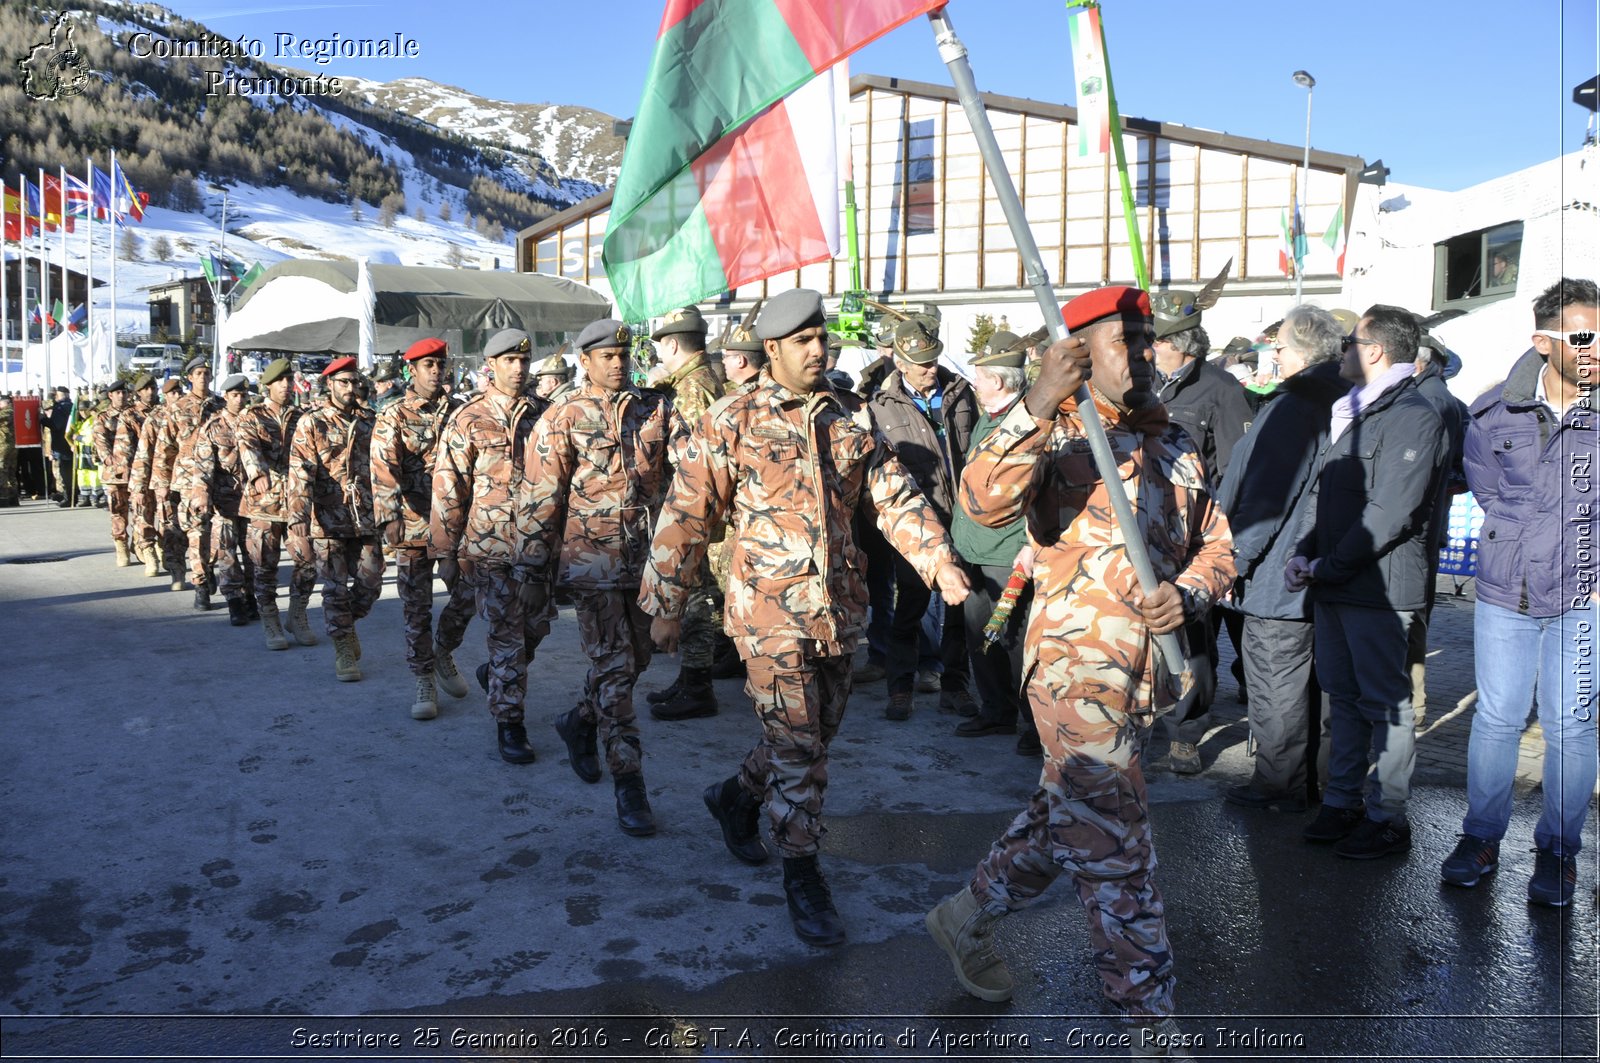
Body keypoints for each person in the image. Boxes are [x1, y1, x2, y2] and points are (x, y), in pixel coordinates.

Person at [925, 286, 1232, 1053]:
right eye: (1121, 340)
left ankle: (966, 912)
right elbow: (980, 506)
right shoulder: (1056, 433)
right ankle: (1149, 1027)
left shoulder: (1177, 442)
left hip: (1145, 679)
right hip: (1074, 675)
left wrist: (1189, 593)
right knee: (1119, 855)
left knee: (1069, 818)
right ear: (1079, 354)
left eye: (1146, 337)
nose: (1142, 351)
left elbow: (1218, 544)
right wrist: (1035, 404)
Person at [640, 288, 969, 948]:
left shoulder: (848, 418)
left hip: (841, 610)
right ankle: (802, 870)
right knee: (800, 750)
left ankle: (735, 795)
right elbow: (686, 511)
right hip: (768, 613)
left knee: (811, 737)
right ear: (773, 350)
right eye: (804, 340)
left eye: (823, 337)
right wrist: (664, 601)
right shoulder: (731, 418)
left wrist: (937, 558)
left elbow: (892, 494)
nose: (820, 348)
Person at [1441, 277, 1597, 907]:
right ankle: (1480, 838)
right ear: (1543, 341)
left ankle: (1559, 850)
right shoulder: (1491, 412)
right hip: (1507, 593)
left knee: (1572, 728)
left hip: (1585, 600)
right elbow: (1488, 494)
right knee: (1498, 720)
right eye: (1584, 337)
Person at [1286, 304, 1448, 859]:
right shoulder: (1351, 409)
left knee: (1387, 705)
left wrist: (1326, 565)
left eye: (1351, 342)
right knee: (1345, 699)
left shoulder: (1414, 414)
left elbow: (1390, 511)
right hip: (1335, 583)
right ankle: (1344, 801)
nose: (1343, 352)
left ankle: (1388, 817)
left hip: (1378, 588)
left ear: (1375, 350)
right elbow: (1321, 495)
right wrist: (1301, 553)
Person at [516, 318, 673, 836]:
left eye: (624, 354)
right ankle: (629, 782)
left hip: (647, 562)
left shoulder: (656, 408)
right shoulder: (563, 416)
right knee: (613, 668)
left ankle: (579, 721)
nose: (618, 362)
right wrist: (533, 569)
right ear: (585, 360)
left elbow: (685, 480)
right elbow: (541, 497)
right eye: (607, 355)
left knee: (638, 659)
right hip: (593, 564)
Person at [1218, 305, 1351, 811]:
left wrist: (1234, 561)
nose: (1272, 351)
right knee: (1315, 686)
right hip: (1320, 566)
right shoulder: (1343, 396)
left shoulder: (1298, 403)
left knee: (1277, 681)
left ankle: (1279, 785)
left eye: (1281, 344)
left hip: (1280, 573)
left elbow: (1268, 497)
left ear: (1303, 350)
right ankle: (1313, 783)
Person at [431, 329, 553, 764]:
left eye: (523, 361)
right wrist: (445, 552)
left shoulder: (546, 414)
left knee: (536, 630)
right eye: (508, 361)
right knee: (507, 637)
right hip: (490, 549)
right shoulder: (469, 418)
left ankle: (497, 677)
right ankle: (510, 722)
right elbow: (449, 487)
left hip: (537, 551)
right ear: (492, 366)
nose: (518, 369)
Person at [1148, 289, 1256, 773]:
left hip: (1193, 534)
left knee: (1194, 641)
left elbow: (1235, 469)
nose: (1149, 346)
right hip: (1145, 526)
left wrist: (1216, 538)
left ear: (1184, 344)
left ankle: (1187, 732)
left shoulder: (1222, 389)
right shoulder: (1144, 382)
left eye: (1159, 339)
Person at [867, 316, 979, 720]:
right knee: (910, 605)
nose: (931, 368)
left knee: (959, 607)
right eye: (922, 363)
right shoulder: (880, 406)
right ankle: (901, 688)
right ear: (900, 362)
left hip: (963, 518)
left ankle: (956, 686)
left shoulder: (961, 393)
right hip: (913, 523)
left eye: (934, 359)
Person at [372, 338, 474, 721]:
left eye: (440, 364)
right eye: (427, 365)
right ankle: (423, 677)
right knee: (416, 607)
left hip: (456, 525)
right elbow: (382, 466)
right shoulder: (394, 414)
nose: (435, 371)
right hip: (412, 524)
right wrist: (389, 514)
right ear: (411, 371)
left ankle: (443, 649)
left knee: (470, 593)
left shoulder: (460, 412)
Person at [949, 330, 1040, 752]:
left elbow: (1035, 489)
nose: (974, 383)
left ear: (999, 382)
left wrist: (1030, 544)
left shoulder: (1028, 420)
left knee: (1016, 640)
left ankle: (1035, 723)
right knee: (979, 635)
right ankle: (996, 711)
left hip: (1008, 552)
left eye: (980, 376)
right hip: (973, 548)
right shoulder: (989, 414)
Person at [645, 307, 725, 722]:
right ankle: (691, 678)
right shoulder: (708, 377)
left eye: (661, 346)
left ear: (672, 344)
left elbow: (694, 462)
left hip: (697, 511)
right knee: (699, 593)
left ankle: (697, 686)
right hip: (709, 510)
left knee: (695, 596)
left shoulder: (691, 391)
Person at [288, 358, 383, 682]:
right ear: (329, 384)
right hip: (328, 518)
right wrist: (298, 516)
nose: (350, 388)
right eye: (343, 382)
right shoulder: (312, 422)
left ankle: (345, 622)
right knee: (334, 587)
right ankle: (342, 645)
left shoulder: (370, 420)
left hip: (366, 516)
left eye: (354, 382)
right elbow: (301, 470)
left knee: (371, 582)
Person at [238, 359, 320, 651]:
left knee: (307, 561)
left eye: (289, 379)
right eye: (280, 380)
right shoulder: (252, 416)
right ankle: (270, 620)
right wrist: (257, 473)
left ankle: (297, 615)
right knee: (264, 567)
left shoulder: (302, 416)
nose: (286, 385)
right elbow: (248, 447)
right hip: (264, 504)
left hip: (298, 503)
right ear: (268, 385)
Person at [181, 374, 256, 624]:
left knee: (254, 553)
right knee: (226, 553)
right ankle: (234, 600)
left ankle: (252, 597)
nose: (241, 399)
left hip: (255, 500)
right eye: (235, 395)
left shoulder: (257, 422)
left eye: (244, 395)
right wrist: (202, 494)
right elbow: (203, 466)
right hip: (225, 501)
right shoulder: (214, 427)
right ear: (226, 397)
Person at [157, 357, 224, 601]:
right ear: (190, 377)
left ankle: (208, 565)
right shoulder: (178, 408)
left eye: (207, 373)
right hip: (188, 481)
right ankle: (201, 584)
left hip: (219, 479)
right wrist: (162, 483)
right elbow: (165, 448)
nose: (203, 377)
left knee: (218, 532)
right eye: (198, 373)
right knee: (196, 533)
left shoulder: (221, 406)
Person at [129, 378, 181, 580]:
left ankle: (167, 552)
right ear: (165, 395)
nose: (177, 397)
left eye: (179, 392)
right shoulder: (156, 418)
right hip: (152, 475)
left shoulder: (185, 415)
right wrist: (139, 486)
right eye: (172, 393)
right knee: (145, 515)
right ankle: (148, 552)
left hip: (175, 477)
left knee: (169, 519)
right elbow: (143, 453)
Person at [94, 381, 132, 566]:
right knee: (118, 511)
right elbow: (101, 445)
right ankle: (121, 545)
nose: (122, 396)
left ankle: (143, 545)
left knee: (144, 512)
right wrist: (115, 464)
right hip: (116, 475)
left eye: (124, 392)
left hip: (138, 472)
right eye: (118, 393)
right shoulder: (104, 418)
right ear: (110, 395)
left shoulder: (135, 414)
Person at [45, 385, 73, 507]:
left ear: (59, 395)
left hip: (61, 445)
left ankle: (68, 497)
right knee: (69, 472)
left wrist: (43, 420)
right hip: (70, 443)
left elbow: (56, 425)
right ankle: (70, 496)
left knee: (65, 473)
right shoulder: (72, 406)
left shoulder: (60, 408)